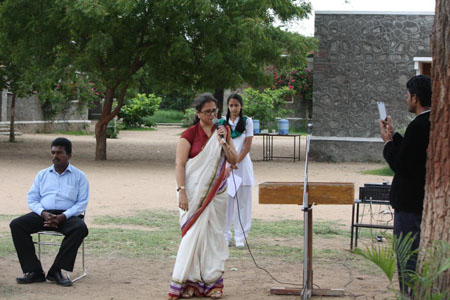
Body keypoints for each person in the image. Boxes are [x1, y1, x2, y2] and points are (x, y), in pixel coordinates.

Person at [168, 93, 238, 299]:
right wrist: (182, 191)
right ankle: (188, 283)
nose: (212, 115)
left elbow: (233, 160)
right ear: (198, 113)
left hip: (217, 194)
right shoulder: (189, 135)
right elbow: (180, 164)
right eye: (207, 112)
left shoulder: (224, 131)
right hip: (193, 193)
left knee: (213, 237)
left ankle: (212, 283)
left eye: (214, 111)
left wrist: (224, 142)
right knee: (192, 238)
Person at [10, 137, 89, 287]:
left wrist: (63, 216)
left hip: (68, 216)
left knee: (80, 228)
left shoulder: (80, 176)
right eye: (53, 153)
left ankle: (56, 271)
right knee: (17, 225)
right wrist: (43, 213)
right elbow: (32, 199)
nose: (55, 156)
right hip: (44, 214)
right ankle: (35, 272)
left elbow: (82, 203)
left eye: (59, 153)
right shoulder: (42, 175)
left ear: (69, 155)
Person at [379, 75, 431, 295]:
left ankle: (407, 295)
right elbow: (412, 153)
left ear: (415, 97)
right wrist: (395, 135)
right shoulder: (430, 123)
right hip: (420, 202)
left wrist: (388, 143)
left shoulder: (419, 125)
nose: (407, 99)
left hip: (410, 206)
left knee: (408, 257)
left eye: (408, 95)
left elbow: (403, 165)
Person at [223, 94, 255, 248]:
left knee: (243, 203)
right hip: (228, 167)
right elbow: (221, 145)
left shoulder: (247, 122)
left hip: (242, 166)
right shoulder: (223, 123)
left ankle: (240, 237)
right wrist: (230, 161)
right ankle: (225, 235)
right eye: (231, 105)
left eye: (236, 105)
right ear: (228, 107)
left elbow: (247, 146)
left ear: (241, 106)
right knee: (227, 202)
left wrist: (236, 160)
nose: (234, 108)